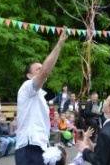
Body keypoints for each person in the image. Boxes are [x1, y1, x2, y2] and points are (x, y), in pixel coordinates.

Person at [15, 26, 68, 165]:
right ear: (29, 76)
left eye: (41, 67)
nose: (42, 70)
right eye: (38, 69)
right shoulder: (26, 87)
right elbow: (45, 71)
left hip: (37, 146)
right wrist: (59, 45)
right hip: (29, 147)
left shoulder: (40, 96)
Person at [78, 92, 110, 165]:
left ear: (109, 108)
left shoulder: (105, 133)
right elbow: (109, 153)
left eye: (106, 100)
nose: (104, 101)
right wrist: (94, 148)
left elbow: (99, 162)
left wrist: (84, 150)